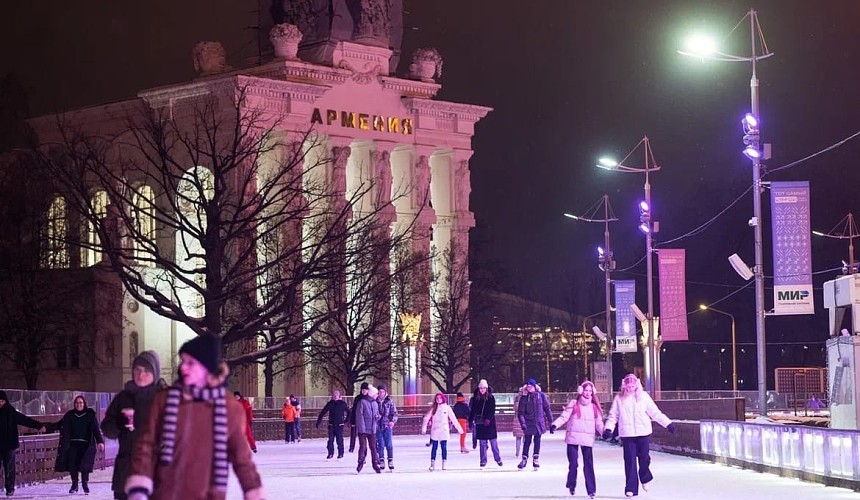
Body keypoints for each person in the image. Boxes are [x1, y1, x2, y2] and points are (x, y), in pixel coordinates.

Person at [124, 334, 265, 500]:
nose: (183, 367)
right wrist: (139, 486)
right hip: (165, 493)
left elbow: (242, 457)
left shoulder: (229, 408)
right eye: (183, 362)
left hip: (208, 494)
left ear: (207, 367)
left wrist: (253, 490)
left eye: (191, 363)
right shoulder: (164, 399)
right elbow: (146, 445)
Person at [102, 350, 168, 500]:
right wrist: (119, 423)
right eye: (137, 370)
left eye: (146, 371)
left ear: (155, 372)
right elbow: (107, 428)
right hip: (127, 471)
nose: (140, 375)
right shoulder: (123, 398)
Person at [603, 373, 675, 498]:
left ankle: (645, 477)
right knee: (630, 461)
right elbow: (613, 416)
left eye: (633, 384)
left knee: (645, 458)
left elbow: (655, 413)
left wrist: (667, 423)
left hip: (643, 433)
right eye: (628, 384)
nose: (630, 387)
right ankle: (630, 488)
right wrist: (608, 429)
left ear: (637, 384)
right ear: (624, 385)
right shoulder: (619, 398)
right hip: (627, 434)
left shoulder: (643, 397)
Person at [552, 380, 605, 498]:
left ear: (593, 393)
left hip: (587, 438)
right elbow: (564, 417)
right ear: (581, 391)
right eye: (585, 390)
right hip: (573, 438)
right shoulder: (574, 403)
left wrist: (605, 432)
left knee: (588, 465)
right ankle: (571, 485)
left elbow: (599, 423)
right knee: (573, 464)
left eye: (590, 391)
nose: (587, 393)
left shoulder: (594, 407)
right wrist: (555, 425)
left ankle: (591, 490)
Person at [52, 395, 105, 494]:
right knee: (73, 465)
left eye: (80, 402)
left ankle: (85, 484)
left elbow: (96, 430)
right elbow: (59, 425)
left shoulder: (90, 415)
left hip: (86, 445)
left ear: (84, 404)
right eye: (77, 403)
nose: (78, 404)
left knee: (85, 466)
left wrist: (100, 442)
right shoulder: (70, 415)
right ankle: (74, 485)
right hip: (73, 444)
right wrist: (45, 427)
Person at [0, 390, 47, 497]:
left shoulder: (11, 413)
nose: (0, 403)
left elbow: (25, 420)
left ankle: (10, 488)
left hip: (9, 445)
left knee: (9, 468)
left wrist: (39, 426)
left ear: (5, 401)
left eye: (2, 401)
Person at [517, 378, 553, 470]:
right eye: (528, 387)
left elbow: (547, 409)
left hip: (539, 423)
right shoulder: (524, 398)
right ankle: (524, 459)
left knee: (537, 441)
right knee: (527, 441)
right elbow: (520, 413)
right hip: (528, 423)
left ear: (535, 387)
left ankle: (535, 459)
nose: (529, 388)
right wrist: (523, 424)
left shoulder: (541, 396)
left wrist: (551, 422)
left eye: (531, 386)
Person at [421, 393, 464, 471]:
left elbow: (453, 419)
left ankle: (444, 463)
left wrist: (459, 429)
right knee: (434, 447)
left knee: (444, 447)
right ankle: (432, 464)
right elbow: (426, 418)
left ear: (443, 399)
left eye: (440, 398)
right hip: (435, 430)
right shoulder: (433, 408)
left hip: (444, 430)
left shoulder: (447, 408)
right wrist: (424, 429)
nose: (438, 400)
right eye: (437, 398)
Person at [469, 379, 503, 468]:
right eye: (481, 388)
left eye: (484, 388)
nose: (482, 390)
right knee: (482, 443)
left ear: (487, 388)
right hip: (480, 423)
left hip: (490, 424)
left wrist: (488, 419)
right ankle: (483, 460)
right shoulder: (475, 398)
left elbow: (492, 410)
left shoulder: (491, 398)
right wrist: (470, 420)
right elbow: (473, 410)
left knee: (493, 442)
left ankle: (498, 458)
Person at [354, 385, 381, 473]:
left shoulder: (375, 403)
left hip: (372, 429)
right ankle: (360, 462)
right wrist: (362, 429)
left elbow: (377, 415)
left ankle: (375, 464)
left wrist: (378, 417)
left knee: (373, 447)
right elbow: (359, 416)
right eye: (376, 394)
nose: (377, 395)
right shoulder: (362, 402)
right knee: (363, 446)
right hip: (363, 429)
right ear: (372, 394)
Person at [316, 389, 349, 460]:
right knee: (330, 440)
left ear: (339, 396)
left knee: (339, 440)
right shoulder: (330, 404)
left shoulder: (342, 404)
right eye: (334, 395)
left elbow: (349, 412)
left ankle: (340, 454)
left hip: (340, 425)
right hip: (331, 425)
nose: (335, 396)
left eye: (336, 395)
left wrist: (346, 421)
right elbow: (323, 412)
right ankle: (330, 453)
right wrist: (318, 422)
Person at [375, 383, 398, 471]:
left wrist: (392, 421)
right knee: (380, 444)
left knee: (389, 444)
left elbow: (394, 413)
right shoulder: (375, 401)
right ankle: (381, 460)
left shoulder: (389, 401)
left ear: (385, 392)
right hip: (378, 426)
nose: (381, 393)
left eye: (382, 392)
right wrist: (375, 418)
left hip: (387, 426)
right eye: (379, 392)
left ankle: (390, 460)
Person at [348, 383, 369, 453]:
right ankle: (351, 447)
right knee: (353, 434)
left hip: (366, 420)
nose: (364, 391)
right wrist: (352, 420)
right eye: (363, 389)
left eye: (365, 389)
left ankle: (365, 448)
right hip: (357, 418)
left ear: (368, 390)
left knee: (364, 435)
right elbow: (354, 409)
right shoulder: (357, 398)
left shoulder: (369, 399)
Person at [512, 385, 527, 457]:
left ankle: (517, 452)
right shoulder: (525, 399)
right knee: (525, 437)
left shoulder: (516, 399)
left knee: (518, 438)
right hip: (524, 420)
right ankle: (524, 452)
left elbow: (514, 409)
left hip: (517, 420)